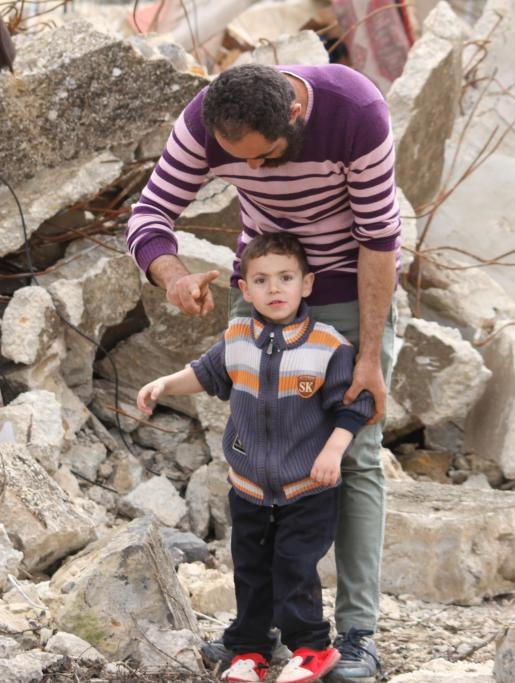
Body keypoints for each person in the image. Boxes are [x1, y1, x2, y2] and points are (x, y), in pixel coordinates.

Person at [125, 62, 400, 682]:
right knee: (260, 451)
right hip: (260, 293)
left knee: (351, 454)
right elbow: (148, 216)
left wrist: (370, 353)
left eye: (265, 158)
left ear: (296, 118)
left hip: (349, 294)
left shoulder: (354, 110)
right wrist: (172, 278)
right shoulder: (203, 122)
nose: (251, 172)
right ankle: (265, 629)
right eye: (236, 161)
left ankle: (357, 634)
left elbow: (380, 237)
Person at [137, 233, 374, 683]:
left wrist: (334, 450)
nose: (274, 289)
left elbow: (354, 405)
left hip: (308, 488)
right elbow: (205, 374)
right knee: (249, 570)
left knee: (294, 567)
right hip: (248, 488)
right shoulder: (238, 337)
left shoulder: (328, 345)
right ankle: (250, 650)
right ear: (245, 291)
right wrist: (165, 384)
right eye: (261, 280)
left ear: (307, 284)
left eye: (285, 278)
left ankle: (311, 648)